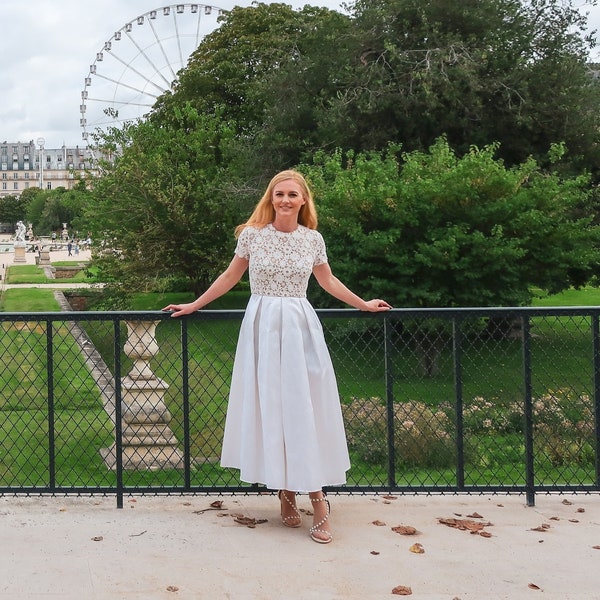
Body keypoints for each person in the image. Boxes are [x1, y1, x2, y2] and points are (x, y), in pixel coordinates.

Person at [163, 170, 392, 544]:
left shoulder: (313, 239)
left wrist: (364, 304)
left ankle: (318, 502)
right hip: (262, 329)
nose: (285, 200)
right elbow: (229, 277)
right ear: (271, 198)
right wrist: (195, 304)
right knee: (272, 407)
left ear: (304, 201)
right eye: (279, 194)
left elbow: (328, 282)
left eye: (292, 195)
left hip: (300, 328)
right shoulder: (252, 236)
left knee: (304, 408)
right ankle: (285, 490)